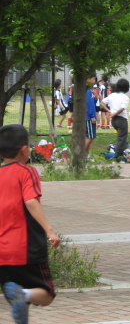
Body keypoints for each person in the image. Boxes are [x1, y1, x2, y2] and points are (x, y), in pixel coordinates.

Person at [0, 124, 61, 324]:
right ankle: (24, 294)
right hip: (27, 248)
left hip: (3, 251)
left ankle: (22, 297)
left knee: (17, 296)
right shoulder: (27, 172)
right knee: (46, 293)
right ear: (24, 149)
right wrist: (50, 231)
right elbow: (30, 201)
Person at [101, 78, 130, 163]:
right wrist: (114, 113)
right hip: (121, 120)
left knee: (122, 138)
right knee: (121, 139)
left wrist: (109, 111)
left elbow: (102, 103)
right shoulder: (125, 97)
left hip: (114, 121)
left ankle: (127, 151)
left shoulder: (112, 95)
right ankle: (117, 157)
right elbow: (122, 109)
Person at [85, 75, 98, 160]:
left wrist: (96, 98)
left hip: (88, 117)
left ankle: (86, 155)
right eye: (93, 79)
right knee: (90, 137)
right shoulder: (87, 91)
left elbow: (92, 102)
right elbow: (88, 104)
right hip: (88, 118)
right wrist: (92, 116)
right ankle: (82, 155)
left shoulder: (89, 91)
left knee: (88, 137)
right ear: (88, 79)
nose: (94, 81)